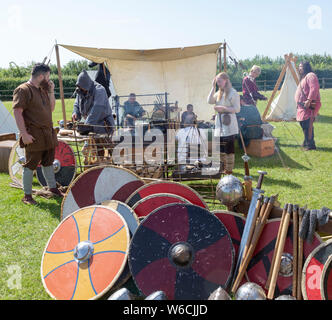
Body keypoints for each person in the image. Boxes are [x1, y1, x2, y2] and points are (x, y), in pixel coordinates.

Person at [12, 63, 63, 205]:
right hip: (33, 134)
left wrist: (51, 91)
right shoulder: (23, 90)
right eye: (47, 77)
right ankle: (27, 196)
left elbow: (51, 108)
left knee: (48, 162)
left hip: (48, 133)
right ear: (41, 76)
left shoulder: (43, 89)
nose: (49, 80)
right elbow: (17, 112)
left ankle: (52, 188)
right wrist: (24, 134)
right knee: (30, 165)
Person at [72, 69, 115, 159]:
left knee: (109, 146)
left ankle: (116, 164)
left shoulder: (99, 90)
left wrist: (86, 126)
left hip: (104, 124)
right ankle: (100, 166)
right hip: (92, 124)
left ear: (87, 85)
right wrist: (75, 113)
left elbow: (97, 109)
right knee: (96, 147)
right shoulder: (80, 90)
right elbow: (77, 104)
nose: (81, 89)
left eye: (82, 87)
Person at [207, 72, 240, 174]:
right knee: (221, 146)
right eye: (217, 82)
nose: (218, 83)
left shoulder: (233, 93)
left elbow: (237, 109)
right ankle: (222, 168)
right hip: (220, 122)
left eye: (220, 81)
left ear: (226, 80)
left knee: (229, 147)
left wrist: (223, 108)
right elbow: (209, 101)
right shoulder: (218, 93)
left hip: (229, 122)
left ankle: (229, 170)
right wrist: (212, 87)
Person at [294, 61, 321, 150]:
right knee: (304, 124)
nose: (299, 68)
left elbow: (314, 88)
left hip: (309, 105)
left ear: (306, 67)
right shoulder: (304, 77)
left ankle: (311, 145)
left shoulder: (311, 76)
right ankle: (306, 141)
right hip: (303, 106)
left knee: (308, 125)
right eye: (299, 66)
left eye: (301, 66)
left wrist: (309, 100)